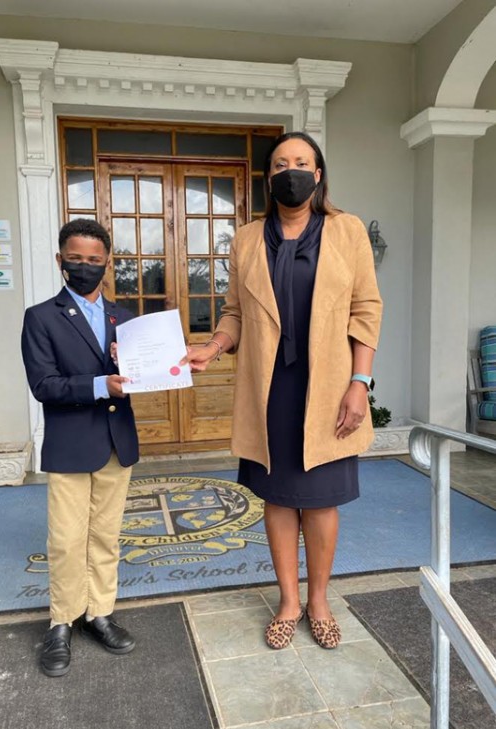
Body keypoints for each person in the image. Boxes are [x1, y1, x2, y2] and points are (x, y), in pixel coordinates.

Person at [181, 132, 382, 650]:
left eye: (300, 162)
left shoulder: (347, 230)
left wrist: (359, 383)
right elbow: (234, 312)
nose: (289, 171)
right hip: (270, 389)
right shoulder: (247, 239)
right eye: (278, 164)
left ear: (317, 175)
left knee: (321, 501)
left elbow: (365, 309)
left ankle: (319, 601)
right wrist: (214, 346)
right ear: (268, 177)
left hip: (330, 387)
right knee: (277, 497)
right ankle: (289, 601)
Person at [21, 218, 139, 677]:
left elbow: (139, 376)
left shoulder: (124, 319)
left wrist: (150, 369)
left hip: (116, 442)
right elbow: (44, 385)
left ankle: (99, 613)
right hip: (71, 444)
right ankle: (61, 622)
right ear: (60, 261)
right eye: (75, 258)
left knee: (105, 536)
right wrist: (101, 383)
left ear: (107, 264)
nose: (85, 266)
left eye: (94, 259)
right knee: (67, 540)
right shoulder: (41, 317)